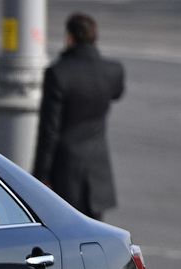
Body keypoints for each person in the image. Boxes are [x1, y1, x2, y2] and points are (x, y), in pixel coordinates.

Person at [33, 12, 125, 220]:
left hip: (66, 169)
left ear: (70, 37)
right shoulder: (113, 71)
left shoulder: (58, 73)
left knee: (66, 232)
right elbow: (117, 94)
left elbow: (49, 129)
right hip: (98, 167)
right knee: (94, 231)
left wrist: (41, 175)